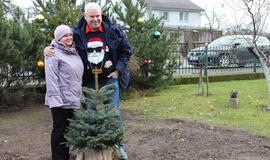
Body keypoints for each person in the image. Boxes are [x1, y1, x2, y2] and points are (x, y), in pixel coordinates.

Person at [44, 2, 132, 159]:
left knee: (114, 114)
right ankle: (89, 150)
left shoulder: (113, 30)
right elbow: (64, 43)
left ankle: (119, 148)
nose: (96, 19)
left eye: (98, 15)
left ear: (101, 14)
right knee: (88, 118)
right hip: (87, 84)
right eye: (92, 16)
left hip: (109, 81)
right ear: (85, 16)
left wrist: (118, 69)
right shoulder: (77, 33)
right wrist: (49, 47)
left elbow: (126, 50)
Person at [44, 24, 84, 160]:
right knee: (59, 131)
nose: (69, 38)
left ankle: (65, 156)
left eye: (70, 35)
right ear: (58, 38)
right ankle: (58, 158)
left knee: (66, 132)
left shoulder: (73, 51)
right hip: (60, 101)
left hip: (72, 98)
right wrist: (56, 100)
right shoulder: (52, 53)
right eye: (65, 36)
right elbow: (51, 78)